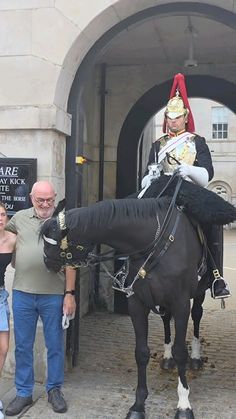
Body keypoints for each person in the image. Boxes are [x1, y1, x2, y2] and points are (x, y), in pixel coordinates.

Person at [140, 73, 230, 300]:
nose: (172, 121)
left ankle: (215, 275)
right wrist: (149, 178)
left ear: (185, 116)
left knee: (210, 223)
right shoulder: (157, 145)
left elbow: (207, 174)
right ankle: (128, 267)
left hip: (189, 190)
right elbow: (147, 173)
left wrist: (189, 170)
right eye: (169, 116)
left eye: (177, 117)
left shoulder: (196, 141)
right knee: (134, 212)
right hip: (161, 190)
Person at [5, 181, 76, 416]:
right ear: (31, 198)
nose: (45, 205)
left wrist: (69, 294)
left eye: (49, 200)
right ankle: (24, 392)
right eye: (40, 200)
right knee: (23, 346)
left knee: (55, 345)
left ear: (55, 198)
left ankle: (54, 390)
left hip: (54, 295)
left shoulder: (64, 222)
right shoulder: (19, 219)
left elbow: (71, 261)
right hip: (23, 292)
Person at [0, 202, 16, 419]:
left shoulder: (12, 240)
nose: (0, 218)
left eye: (3, 214)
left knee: (3, 349)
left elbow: (22, 263)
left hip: (0, 297)